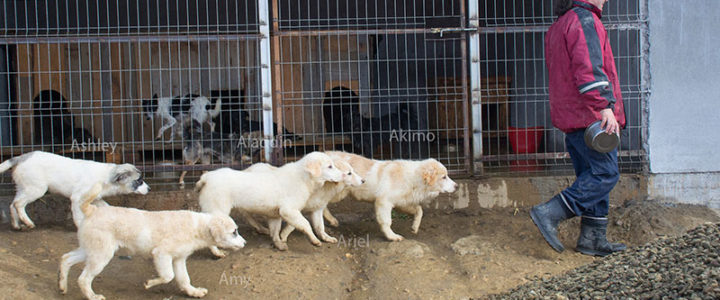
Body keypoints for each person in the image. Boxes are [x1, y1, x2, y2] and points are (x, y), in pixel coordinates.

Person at [531, 0, 626, 257]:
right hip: (591, 116)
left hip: (572, 118)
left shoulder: (560, 24)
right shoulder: (584, 20)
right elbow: (589, 69)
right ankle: (550, 212)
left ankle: (592, 239)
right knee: (605, 174)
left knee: (591, 174)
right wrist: (604, 105)